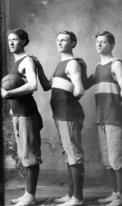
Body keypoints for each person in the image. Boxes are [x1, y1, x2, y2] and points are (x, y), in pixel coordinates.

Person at [38, 31, 85, 206]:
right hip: (61, 115)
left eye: (64, 40)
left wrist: (68, 102)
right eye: (58, 39)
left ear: (73, 43)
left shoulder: (72, 64)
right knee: (69, 154)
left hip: (69, 115)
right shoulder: (61, 64)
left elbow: (79, 90)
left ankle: (78, 198)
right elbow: (46, 85)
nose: (59, 42)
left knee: (74, 154)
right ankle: (71, 194)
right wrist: (37, 66)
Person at [2, 29, 43, 206]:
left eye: (15, 40)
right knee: (23, 154)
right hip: (18, 113)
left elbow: (33, 85)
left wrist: (9, 92)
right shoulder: (17, 61)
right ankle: (27, 194)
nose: (11, 43)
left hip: (27, 113)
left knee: (29, 155)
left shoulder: (26, 60)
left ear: (24, 41)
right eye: (9, 40)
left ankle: (31, 196)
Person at [93, 31, 122, 206]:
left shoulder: (116, 65)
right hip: (101, 118)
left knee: (117, 159)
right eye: (97, 42)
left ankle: (120, 197)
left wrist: (112, 102)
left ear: (111, 45)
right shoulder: (98, 67)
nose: (99, 45)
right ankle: (114, 193)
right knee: (107, 161)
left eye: (103, 42)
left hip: (114, 117)